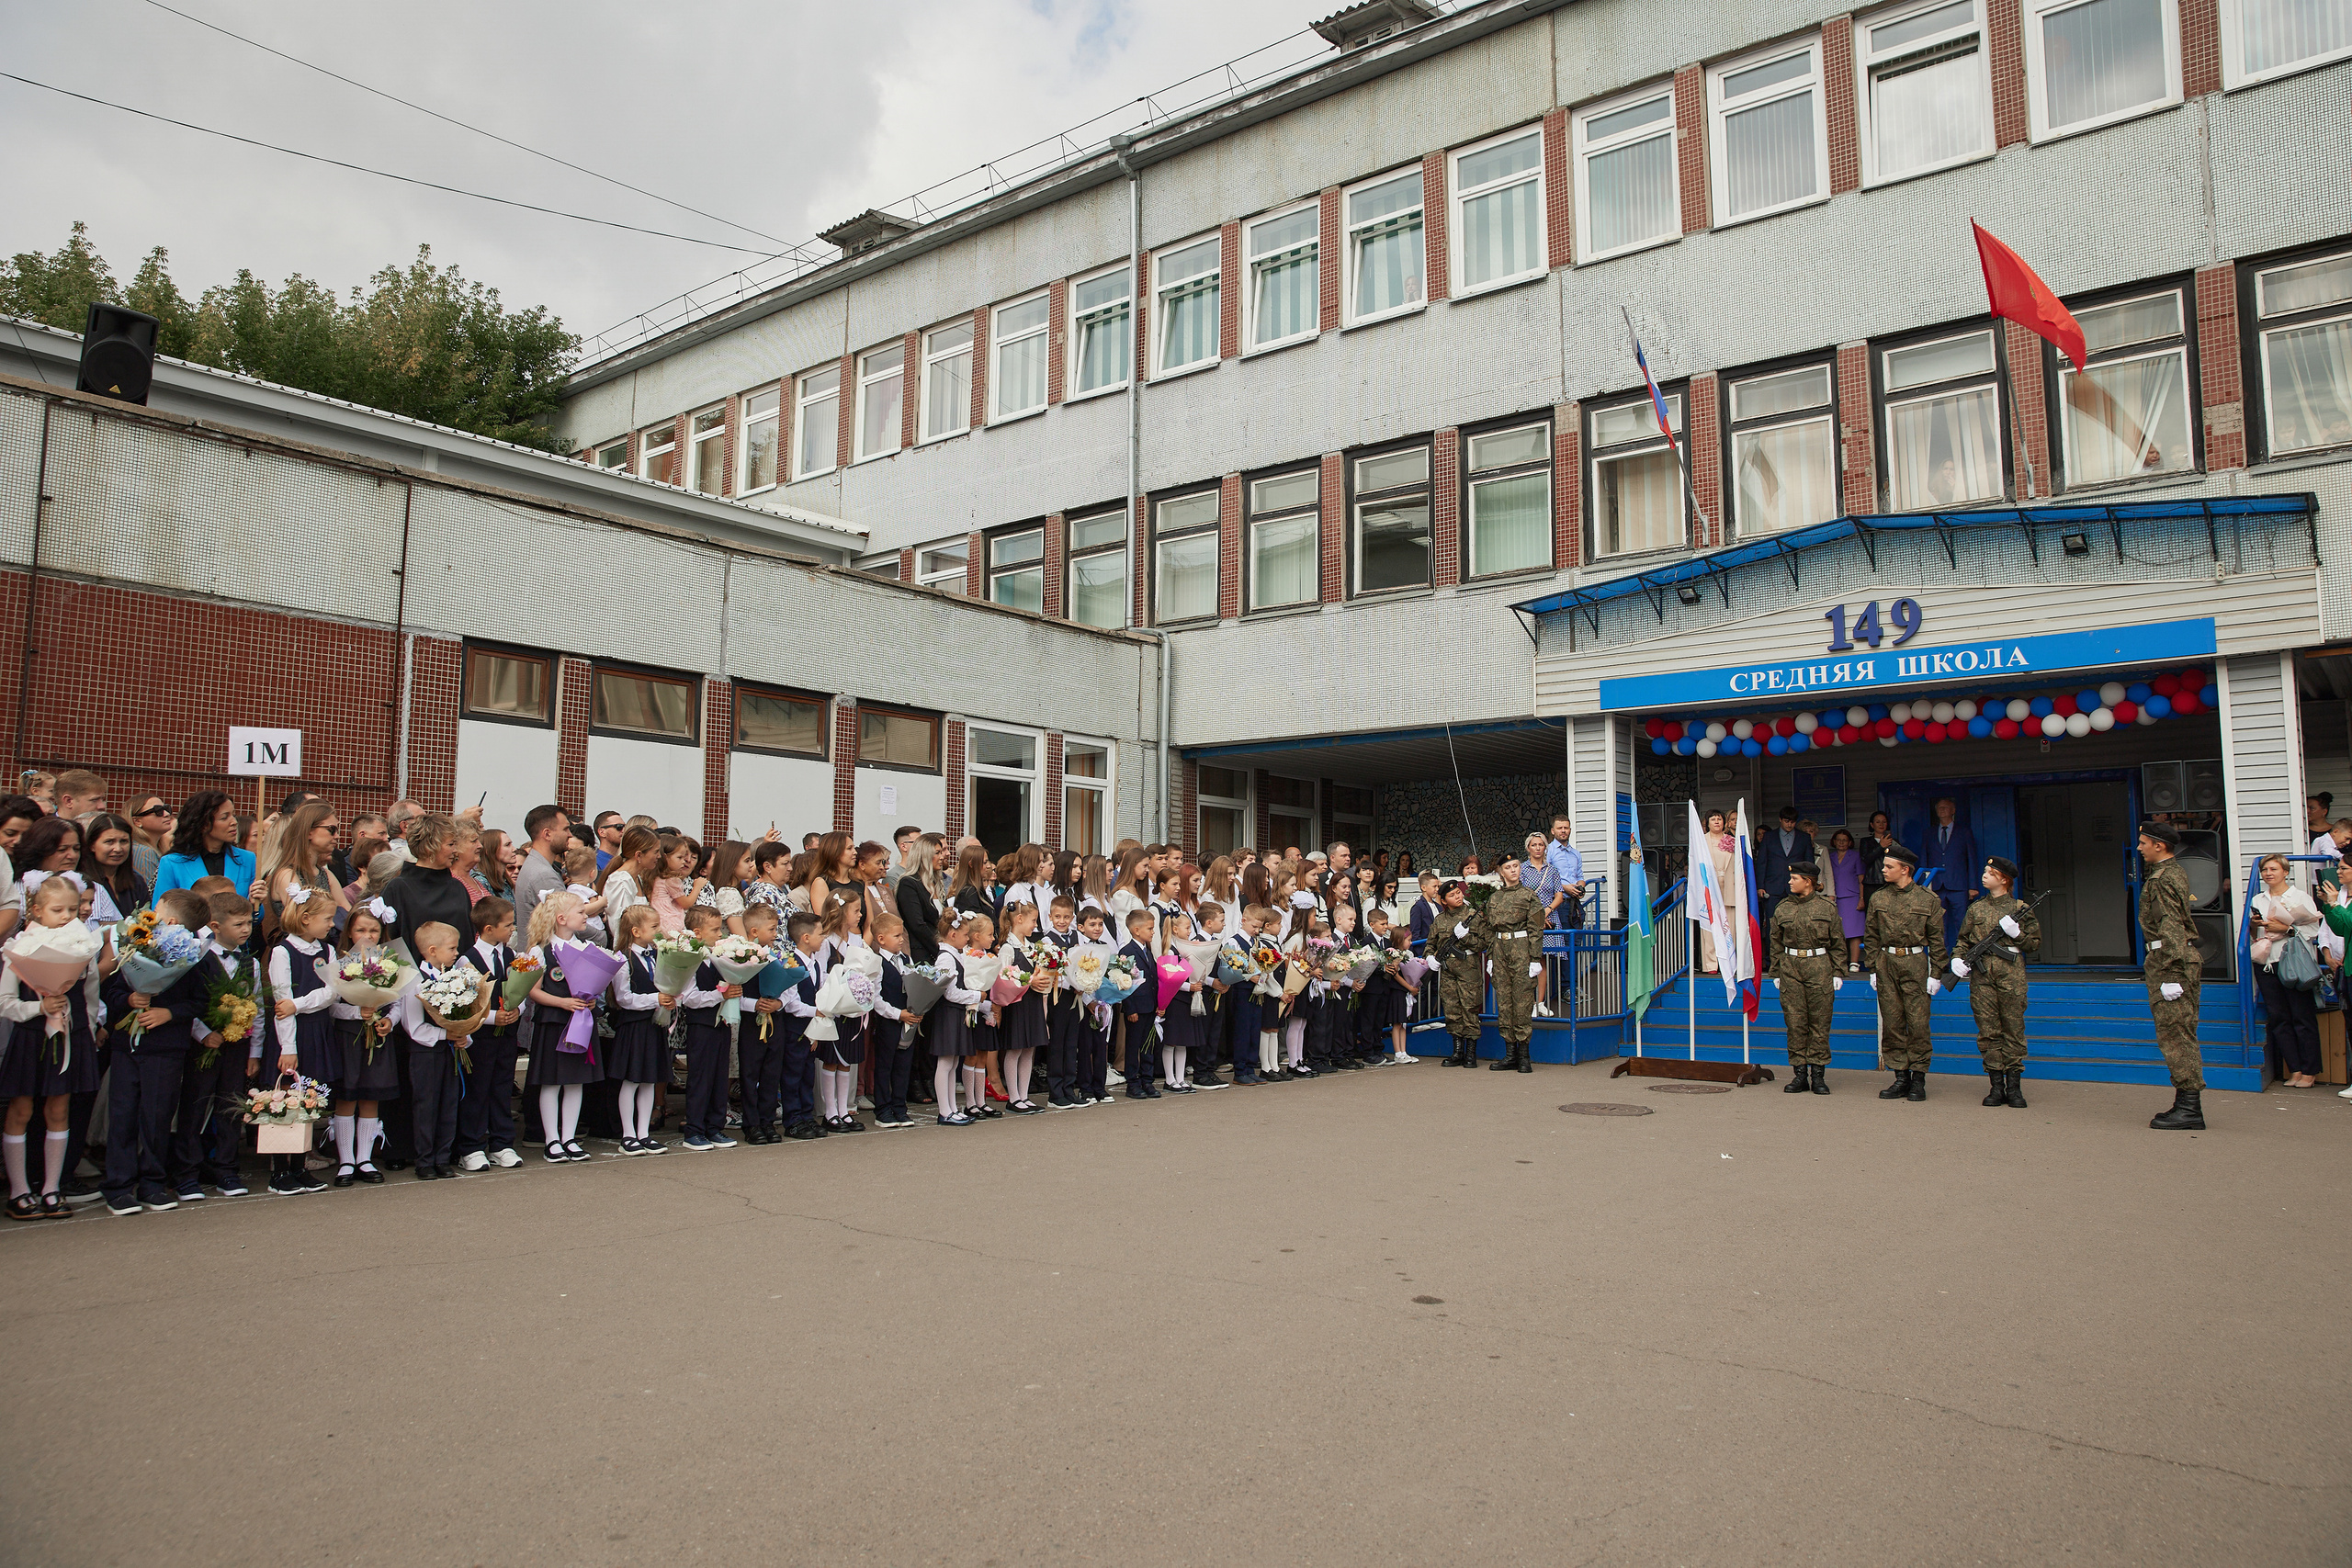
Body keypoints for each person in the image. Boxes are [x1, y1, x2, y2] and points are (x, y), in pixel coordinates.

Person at [0, 875, 107, 1218]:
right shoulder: (21, 945)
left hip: (71, 1036)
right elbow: (5, 1001)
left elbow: (91, 995)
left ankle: (52, 1188)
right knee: (21, 1110)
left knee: (59, 1111)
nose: (66, 916)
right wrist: (37, 1008)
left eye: (73, 910)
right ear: (36, 910)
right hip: (32, 1036)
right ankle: (19, 1191)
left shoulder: (82, 947)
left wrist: (89, 1029)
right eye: (57, 909)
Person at [172, 891, 261, 1201]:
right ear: (215, 925)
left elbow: (257, 1009)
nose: (246, 929)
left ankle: (226, 1167)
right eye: (239, 924)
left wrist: (255, 1052)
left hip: (238, 1046)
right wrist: (202, 1033)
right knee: (195, 1106)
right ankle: (186, 1172)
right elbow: (189, 1001)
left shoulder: (250, 963)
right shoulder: (197, 957)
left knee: (231, 1106)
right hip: (205, 1045)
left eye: (249, 922)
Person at [263, 888, 341, 1194]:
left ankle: (300, 1165)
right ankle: (280, 1170)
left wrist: (301, 1003)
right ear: (305, 919)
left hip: (318, 1030)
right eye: (327, 918)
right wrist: (289, 1048)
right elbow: (283, 1004)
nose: (332, 925)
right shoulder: (283, 952)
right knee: (285, 1101)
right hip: (292, 1036)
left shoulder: (328, 951)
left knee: (310, 1100)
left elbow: (332, 992)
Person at [1950, 857, 2040, 1108]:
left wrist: (2017, 934)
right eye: (1985, 871)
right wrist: (1957, 959)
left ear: (2004, 879)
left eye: (1991, 872)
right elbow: (1963, 940)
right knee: (1988, 1031)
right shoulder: (1976, 909)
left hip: (2011, 976)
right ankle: (1995, 1086)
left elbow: (2034, 944)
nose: (1985, 875)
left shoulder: (2020, 907)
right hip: (1982, 978)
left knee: (2013, 1029)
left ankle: (2014, 1088)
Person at [524, 892, 603, 1163]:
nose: (585, 915)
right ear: (561, 918)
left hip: (580, 1021)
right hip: (554, 1022)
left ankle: (569, 1137)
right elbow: (533, 991)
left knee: (575, 1080)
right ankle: (552, 1140)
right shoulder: (540, 950)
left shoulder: (585, 948)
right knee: (552, 1080)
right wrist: (563, 1002)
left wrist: (590, 1002)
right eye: (580, 912)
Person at [2138, 822, 2206, 1130]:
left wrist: (2171, 973)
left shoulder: (2163, 878)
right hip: (2171, 957)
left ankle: (2190, 1108)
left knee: (2176, 1035)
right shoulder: (2170, 872)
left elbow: (2171, 925)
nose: (2139, 848)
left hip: (2171, 959)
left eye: (2143, 843)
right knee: (2178, 1033)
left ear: (2159, 845)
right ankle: (2185, 1103)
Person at [1864, 842, 1943, 1102]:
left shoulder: (1927, 899)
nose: (1884, 870)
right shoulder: (1879, 897)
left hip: (1915, 962)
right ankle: (1901, 1077)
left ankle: (1918, 1079)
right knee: (1893, 1021)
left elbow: (1937, 939)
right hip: (1887, 962)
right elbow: (1872, 935)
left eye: (1889, 866)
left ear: (1905, 870)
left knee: (1918, 1023)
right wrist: (1873, 967)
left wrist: (1937, 973)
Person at [326, 902, 398, 1187]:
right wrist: (358, 1012)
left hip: (377, 1038)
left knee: (371, 1096)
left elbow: (398, 1000)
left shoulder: (391, 962)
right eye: (360, 930)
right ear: (349, 931)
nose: (367, 936)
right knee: (348, 1095)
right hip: (348, 1036)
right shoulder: (341, 961)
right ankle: (346, 1160)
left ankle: (365, 1158)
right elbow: (331, 1006)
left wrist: (390, 1020)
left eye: (374, 930)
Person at [455, 898, 526, 1169]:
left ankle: (502, 1143)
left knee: (501, 1087)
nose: (512, 929)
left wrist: (517, 1008)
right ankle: (471, 1146)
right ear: (488, 928)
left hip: (507, 1035)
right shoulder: (467, 961)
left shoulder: (510, 956)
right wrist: (494, 1016)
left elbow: (519, 988)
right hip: (481, 1037)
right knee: (478, 1089)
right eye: (508, 925)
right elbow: (466, 1004)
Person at [664, 906, 740, 1150]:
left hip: (721, 1023)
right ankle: (694, 1129)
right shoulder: (691, 960)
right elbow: (690, 998)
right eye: (715, 929)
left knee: (719, 1076)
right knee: (700, 1077)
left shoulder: (718, 957)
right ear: (697, 932)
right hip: (701, 1025)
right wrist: (722, 995)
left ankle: (714, 1126)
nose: (720, 934)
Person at [2249, 852, 2324, 1089]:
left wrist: (2287, 928)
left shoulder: (2299, 897)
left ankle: (2310, 1071)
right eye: (2264, 870)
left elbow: (2313, 931)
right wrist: (2255, 925)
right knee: (2279, 1018)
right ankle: (2295, 1069)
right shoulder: (2258, 898)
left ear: (2285, 871)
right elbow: (2251, 932)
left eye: (2273, 869)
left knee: (2302, 1016)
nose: (2268, 873)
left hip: (2293, 961)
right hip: (2266, 961)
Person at [1767, 862, 1842, 1096]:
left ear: (1808, 882)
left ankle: (1818, 1075)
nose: (1790, 882)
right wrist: (1777, 971)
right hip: (1790, 967)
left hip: (1819, 966)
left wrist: (1838, 972)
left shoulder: (1827, 908)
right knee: (1795, 1022)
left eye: (1795, 878)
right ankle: (1799, 1074)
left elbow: (1838, 943)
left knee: (1819, 1022)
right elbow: (1776, 942)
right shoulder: (1782, 908)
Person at [603, 905, 671, 1155]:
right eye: (654, 927)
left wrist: (670, 999)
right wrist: (656, 999)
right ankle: (628, 1134)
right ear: (636, 931)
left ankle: (644, 1133)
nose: (659, 930)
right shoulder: (622, 959)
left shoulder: (658, 955)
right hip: (633, 1026)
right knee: (631, 1080)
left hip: (654, 1024)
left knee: (649, 1080)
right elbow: (624, 998)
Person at [1484, 856, 1544, 1074]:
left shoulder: (1529, 896)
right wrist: (1490, 957)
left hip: (1521, 948)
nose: (1513, 871)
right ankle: (1510, 1054)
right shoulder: (1495, 898)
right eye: (1508, 868)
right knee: (1505, 1002)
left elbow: (1536, 928)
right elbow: (1490, 930)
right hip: (1500, 948)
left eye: (1516, 866)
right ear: (1501, 872)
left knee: (1523, 1001)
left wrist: (1535, 959)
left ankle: (1524, 1056)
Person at [151, 790, 261, 906]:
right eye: (224, 818)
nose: (234, 822)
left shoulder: (247, 859)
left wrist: (254, 903)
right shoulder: (171, 863)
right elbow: (160, 913)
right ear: (203, 824)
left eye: (234, 815)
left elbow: (255, 918)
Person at [866, 911, 921, 1128]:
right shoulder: (878, 962)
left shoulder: (906, 959)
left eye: (902, 935)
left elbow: (916, 986)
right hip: (889, 1022)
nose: (901, 939)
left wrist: (918, 1007)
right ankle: (883, 1110)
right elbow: (876, 999)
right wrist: (898, 1014)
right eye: (897, 936)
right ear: (881, 939)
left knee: (903, 1065)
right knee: (885, 1065)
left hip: (909, 1020)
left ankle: (900, 1107)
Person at [1424, 876, 1486, 1067]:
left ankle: (1470, 1054)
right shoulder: (1439, 920)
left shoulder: (1473, 915)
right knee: (1452, 1009)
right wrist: (1430, 958)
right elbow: (1430, 943)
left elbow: (1483, 943)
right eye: (1452, 895)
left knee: (1470, 1008)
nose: (1457, 896)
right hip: (1448, 971)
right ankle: (1457, 1052)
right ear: (1443, 900)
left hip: (1469, 968)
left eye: (1458, 892)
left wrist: (1466, 938)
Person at [1116, 908, 1161, 1100]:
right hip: (1137, 1008)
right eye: (1150, 928)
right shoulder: (1127, 952)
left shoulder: (1147, 951)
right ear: (1136, 930)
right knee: (1133, 1045)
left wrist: (1160, 1002)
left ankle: (1147, 1080)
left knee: (1148, 1045)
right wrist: (1130, 1009)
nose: (1153, 932)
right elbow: (1123, 983)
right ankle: (1132, 1082)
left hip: (1150, 1006)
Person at [1922, 797, 1979, 942]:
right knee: (1939, 926)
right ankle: (1943, 962)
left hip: (1959, 886)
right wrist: (1925, 886)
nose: (1942, 810)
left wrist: (1972, 886)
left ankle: (1963, 960)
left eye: (1945, 807)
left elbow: (1971, 859)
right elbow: (1924, 859)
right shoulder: (1929, 833)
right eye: (1939, 807)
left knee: (1962, 924)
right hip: (1936, 886)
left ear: (1953, 811)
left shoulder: (1964, 832)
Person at [1758, 807, 1815, 931]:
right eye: (1786, 821)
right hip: (1772, 887)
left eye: (1792, 822)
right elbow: (1762, 862)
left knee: (1797, 923)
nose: (1789, 824)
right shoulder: (1769, 837)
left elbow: (1809, 863)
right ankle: (1771, 951)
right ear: (1780, 820)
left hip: (1797, 887)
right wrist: (1760, 886)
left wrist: (1809, 885)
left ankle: (1793, 950)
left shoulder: (1804, 838)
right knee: (1773, 923)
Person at [1825, 828, 1866, 971]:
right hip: (1834, 898)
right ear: (1834, 842)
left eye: (1844, 840)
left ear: (1850, 842)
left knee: (1854, 931)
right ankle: (1839, 962)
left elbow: (1861, 879)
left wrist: (1862, 898)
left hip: (1852, 897)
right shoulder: (1830, 857)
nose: (1841, 843)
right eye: (1839, 840)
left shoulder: (1855, 856)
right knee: (1837, 932)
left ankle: (1854, 962)